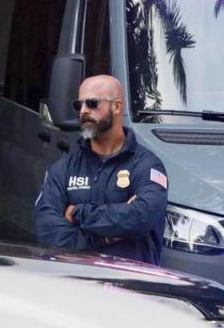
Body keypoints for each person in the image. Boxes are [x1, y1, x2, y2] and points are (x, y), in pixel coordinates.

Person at [35, 75, 168, 264]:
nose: (83, 111)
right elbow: (48, 231)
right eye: (78, 105)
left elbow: (141, 217)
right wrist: (104, 239)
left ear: (117, 106)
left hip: (131, 286)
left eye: (92, 103)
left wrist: (79, 213)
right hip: (75, 284)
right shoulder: (63, 168)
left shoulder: (147, 166)